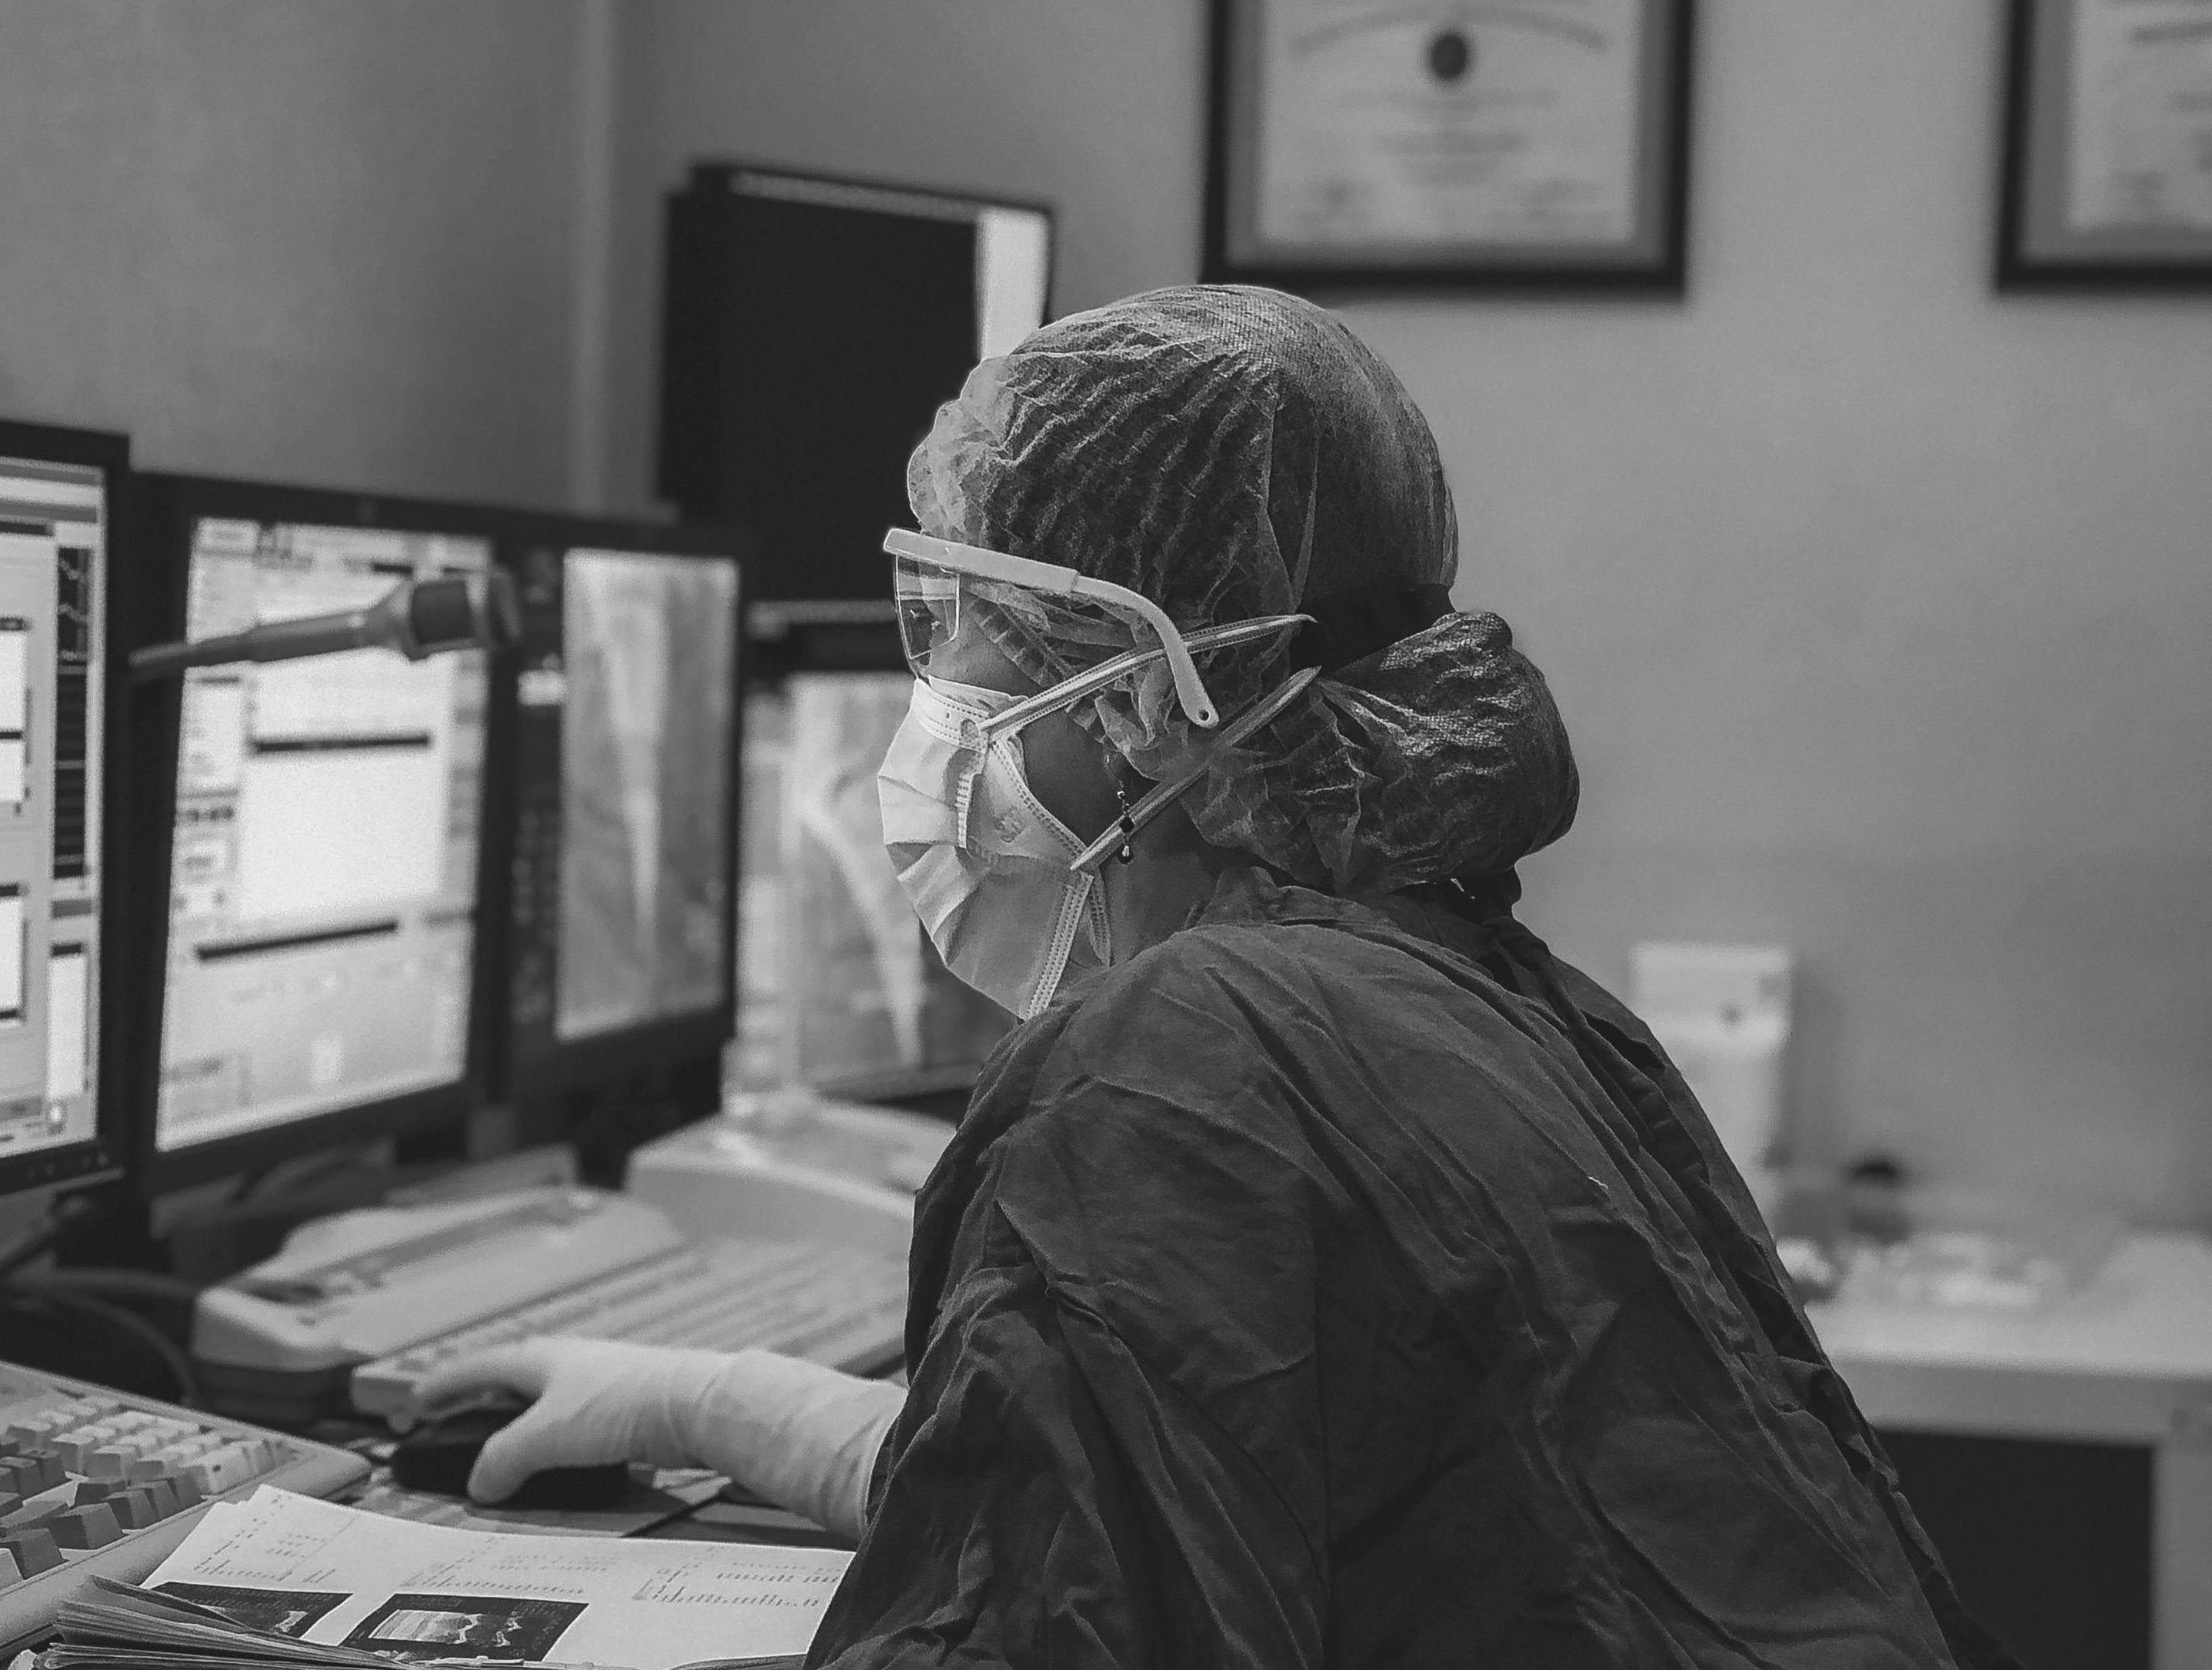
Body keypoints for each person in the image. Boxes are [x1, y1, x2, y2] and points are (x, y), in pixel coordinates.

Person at [414, 286, 2016, 1668]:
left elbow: (1049, 1606)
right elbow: (1149, 1500)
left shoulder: (1179, 1064)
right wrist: (706, 1403)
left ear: (1136, 705)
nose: (934, 716)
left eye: (962, 636)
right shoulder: (1503, 1004)